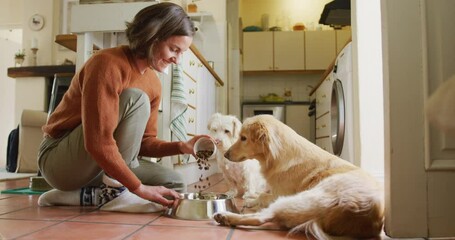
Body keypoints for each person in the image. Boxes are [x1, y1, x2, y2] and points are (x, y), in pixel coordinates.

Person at [37, 2, 206, 208]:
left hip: (102, 164)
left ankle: (87, 196)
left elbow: (143, 143)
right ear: (152, 37)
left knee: (174, 185)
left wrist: (181, 146)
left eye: (182, 53)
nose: (177, 60)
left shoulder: (153, 82)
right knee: (136, 98)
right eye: (173, 49)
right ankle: (116, 191)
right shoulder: (106, 64)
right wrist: (139, 188)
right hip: (60, 161)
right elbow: (97, 142)